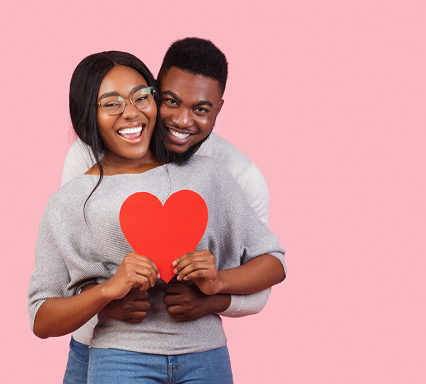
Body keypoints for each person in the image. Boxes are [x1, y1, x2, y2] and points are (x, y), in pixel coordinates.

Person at [28, 50, 286, 383]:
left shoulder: (215, 174)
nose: (131, 113)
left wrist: (216, 286)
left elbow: (272, 262)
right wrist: (107, 293)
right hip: (117, 354)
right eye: (111, 103)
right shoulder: (71, 195)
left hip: (204, 354)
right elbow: (43, 314)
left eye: (139, 97)